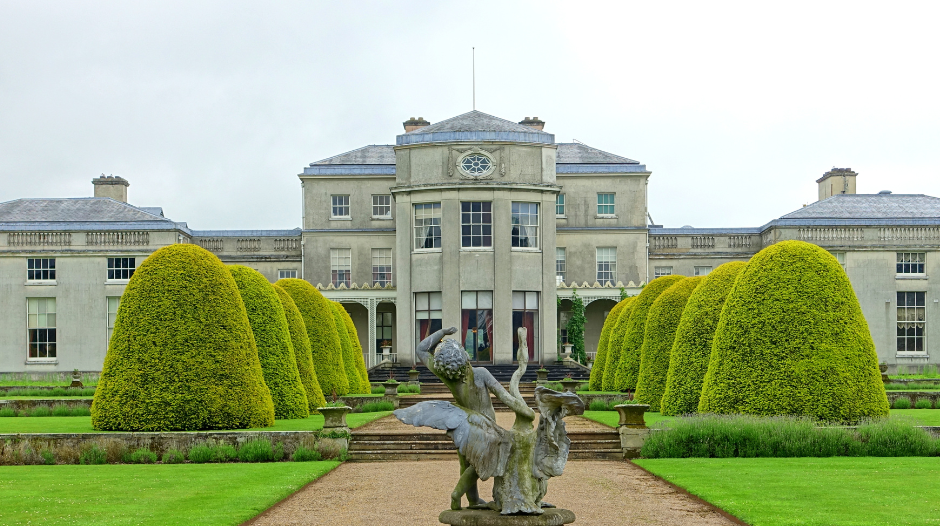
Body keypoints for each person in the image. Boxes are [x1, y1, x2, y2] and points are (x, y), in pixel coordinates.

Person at [397, 326, 533, 510]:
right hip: (485, 426)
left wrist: (442, 332)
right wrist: (527, 411)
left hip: (463, 424)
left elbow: (421, 349)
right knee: (495, 457)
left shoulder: (448, 378)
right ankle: (464, 494)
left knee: (466, 462)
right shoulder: (481, 373)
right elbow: (505, 397)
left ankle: (472, 500)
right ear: (464, 354)